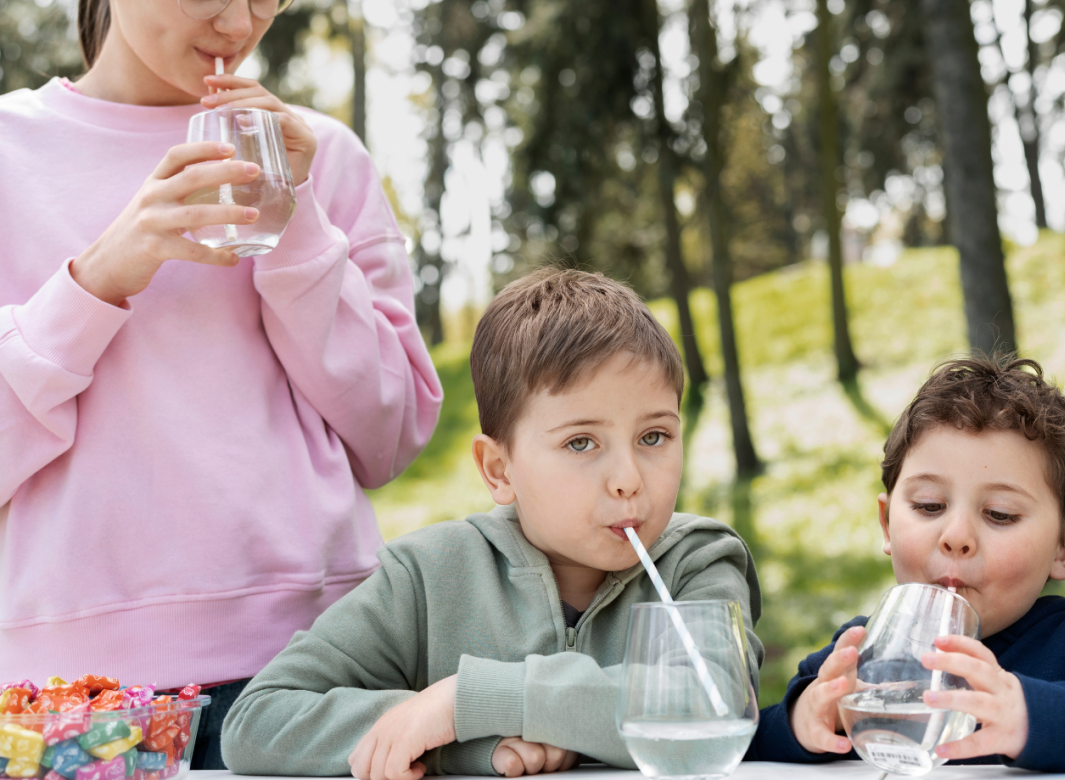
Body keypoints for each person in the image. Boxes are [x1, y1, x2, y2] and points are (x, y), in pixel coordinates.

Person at [0, 0, 443, 767]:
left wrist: (295, 230)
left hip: (318, 663)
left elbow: (392, 429)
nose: (237, 23)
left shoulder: (320, 157)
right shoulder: (8, 154)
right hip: (69, 693)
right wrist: (102, 276)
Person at [221, 267, 764, 780]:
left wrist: (471, 700)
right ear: (499, 470)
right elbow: (258, 722)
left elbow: (714, 707)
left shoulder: (698, 562)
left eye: (654, 437)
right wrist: (457, 742)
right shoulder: (427, 576)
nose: (628, 479)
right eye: (581, 442)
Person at [748, 355, 1065, 772]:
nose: (956, 538)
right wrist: (799, 721)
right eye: (928, 506)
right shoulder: (857, 656)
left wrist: (1039, 717)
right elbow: (746, 743)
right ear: (886, 524)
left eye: (1000, 514)